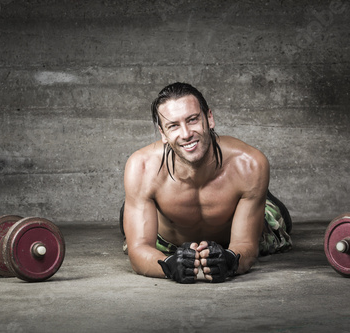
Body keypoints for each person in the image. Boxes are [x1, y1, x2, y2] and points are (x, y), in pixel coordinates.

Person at [122, 82, 292, 284]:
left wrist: (230, 260)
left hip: (231, 233)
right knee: (128, 216)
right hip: (169, 240)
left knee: (279, 217)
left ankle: (256, 196)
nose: (186, 134)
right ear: (163, 133)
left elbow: (245, 243)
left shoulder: (250, 164)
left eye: (192, 120)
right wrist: (168, 265)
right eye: (173, 125)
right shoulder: (141, 167)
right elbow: (139, 249)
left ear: (209, 118)